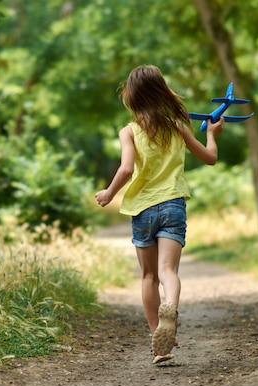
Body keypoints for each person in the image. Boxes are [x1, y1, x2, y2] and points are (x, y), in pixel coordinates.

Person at [95, 65, 224, 364]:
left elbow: (127, 169)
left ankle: (158, 338)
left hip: (142, 209)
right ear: (162, 91)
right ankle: (172, 308)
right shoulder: (177, 126)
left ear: (131, 97)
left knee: (149, 276)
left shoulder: (128, 131)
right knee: (169, 272)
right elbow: (210, 158)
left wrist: (109, 193)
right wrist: (213, 134)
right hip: (173, 206)